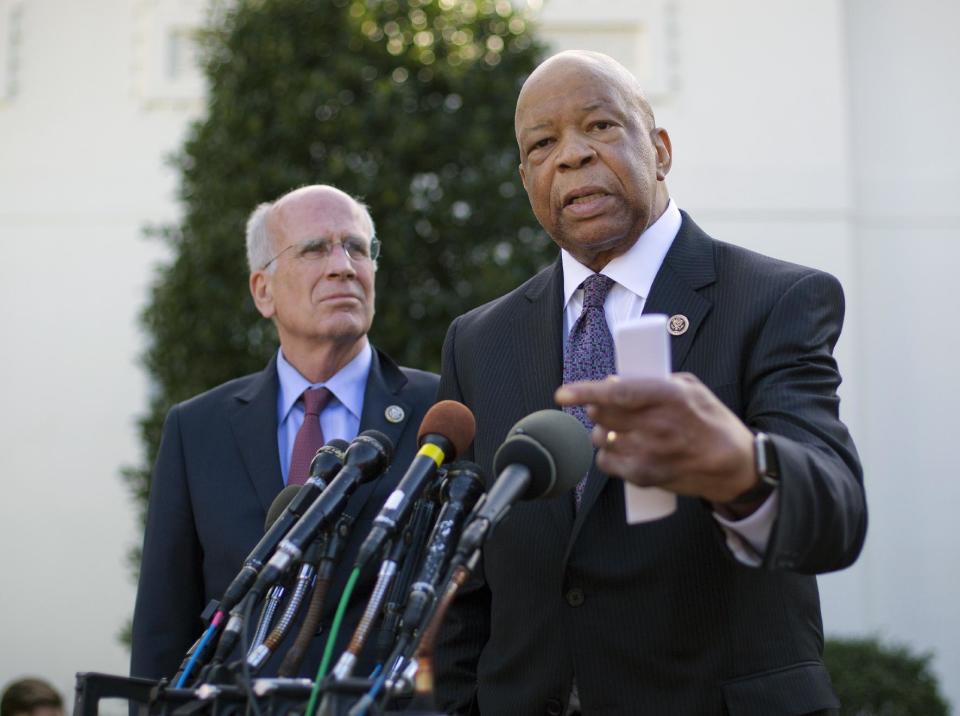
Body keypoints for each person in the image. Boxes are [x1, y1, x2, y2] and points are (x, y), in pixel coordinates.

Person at [433, 51, 866, 715]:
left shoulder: (775, 299)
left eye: (600, 126)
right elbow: (468, 587)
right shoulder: (478, 340)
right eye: (542, 143)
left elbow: (836, 517)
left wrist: (743, 472)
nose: (572, 155)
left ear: (660, 150)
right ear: (527, 178)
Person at [130, 185, 439, 680]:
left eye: (357, 247)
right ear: (263, 291)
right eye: (315, 249)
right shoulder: (198, 429)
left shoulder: (439, 411)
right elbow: (162, 628)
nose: (343, 266)